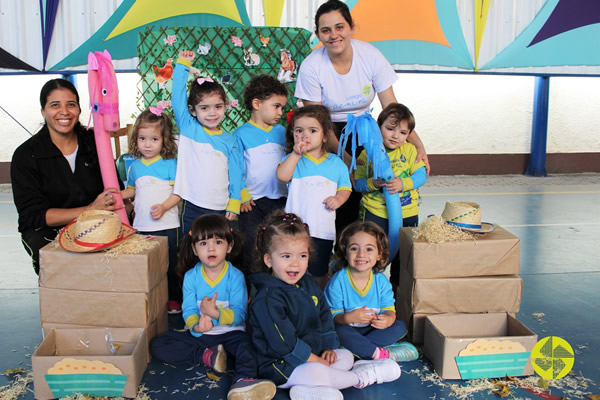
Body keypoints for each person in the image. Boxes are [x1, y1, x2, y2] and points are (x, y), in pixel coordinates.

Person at [295, 0, 430, 234]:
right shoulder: (311, 66)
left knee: (369, 189)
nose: (333, 35)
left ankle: (368, 245)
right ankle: (338, 254)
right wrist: (345, 160)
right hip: (327, 132)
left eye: (339, 27)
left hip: (364, 128)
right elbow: (317, 122)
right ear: (318, 34)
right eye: (325, 30)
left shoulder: (370, 55)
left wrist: (419, 146)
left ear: (351, 27)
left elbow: (393, 109)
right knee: (341, 190)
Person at [248, 210, 401, 400]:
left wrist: (328, 349)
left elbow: (324, 317)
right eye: (286, 256)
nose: (295, 264)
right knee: (317, 372)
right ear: (268, 260)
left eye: (302, 256)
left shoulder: (309, 283)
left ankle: (306, 391)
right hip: (280, 366)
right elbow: (284, 345)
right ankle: (359, 377)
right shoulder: (267, 299)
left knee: (344, 357)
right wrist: (318, 361)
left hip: (314, 354)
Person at [150, 214, 276, 400]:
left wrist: (215, 313)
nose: (210, 248)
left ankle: (243, 381)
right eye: (203, 243)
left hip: (232, 333)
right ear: (194, 249)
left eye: (218, 242)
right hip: (201, 336)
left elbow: (241, 314)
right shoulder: (191, 277)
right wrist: (196, 326)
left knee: (249, 347)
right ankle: (207, 356)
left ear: (229, 246)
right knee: (158, 344)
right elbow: (189, 310)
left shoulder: (236, 276)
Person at [11, 78, 123, 274]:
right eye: (55, 105)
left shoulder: (95, 142)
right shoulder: (26, 155)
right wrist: (89, 209)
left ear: (79, 110)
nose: (64, 112)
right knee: (58, 261)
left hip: (95, 223)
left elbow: (116, 190)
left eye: (71, 105)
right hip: (47, 230)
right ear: (43, 111)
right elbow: (33, 215)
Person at [276, 105, 351, 289]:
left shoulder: (336, 164)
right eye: (299, 130)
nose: (305, 135)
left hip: (322, 230)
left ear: (325, 135)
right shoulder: (293, 159)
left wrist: (339, 199)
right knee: (289, 266)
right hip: (293, 230)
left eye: (312, 130)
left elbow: (345, 188)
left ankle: (318, 301)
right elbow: (282, 176)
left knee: (319, 270)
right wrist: (295, 154)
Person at [172, 50, 244, 237]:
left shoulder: (230, 140)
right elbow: (177, 98)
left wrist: (235, 201)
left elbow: (236, 172)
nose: (212, 113)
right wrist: (182, 65)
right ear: (192, 110)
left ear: (225, 107)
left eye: (218, 107)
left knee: (216, 248)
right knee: (190, 249)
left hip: (220, 207)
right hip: (193, 204)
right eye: (204, 108)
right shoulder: (189, 128)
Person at [354, 103, 427, 287]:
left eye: (403, 132)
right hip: (375, 214)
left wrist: (404, 183)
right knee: (371, 254)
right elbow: (358, 183)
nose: (395, 136)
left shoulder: (410, 151)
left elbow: (421, 175)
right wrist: (373, 183)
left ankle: (396, 294)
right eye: (390, 129)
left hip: (407, 213)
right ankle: (368, 287)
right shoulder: (367, 153)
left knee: (403, 259)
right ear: (379, 127)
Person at [325, 221, 419, 362]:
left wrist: (387, 319)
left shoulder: (381, 281)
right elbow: (332, 317)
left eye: (369, 249)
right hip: (348, 330)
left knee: (400, 326)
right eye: (354, 248)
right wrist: (348, 318)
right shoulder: (338, 281)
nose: (361, 254)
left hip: (372, 330)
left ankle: (356, 351)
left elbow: (389, 310)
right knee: (338, 330)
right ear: (345, 252)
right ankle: (381, 354)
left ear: (379, 254)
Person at [120, 109, 182, 314]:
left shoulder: (170, 164)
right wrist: (115, 195)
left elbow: (179, 193)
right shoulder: (135, 167)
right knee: (146, 264)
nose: (147, 144)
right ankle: (149, 298)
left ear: (164, 140)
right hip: (141, 226)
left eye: (154, 139)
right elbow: (131, 190)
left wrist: (164, 207)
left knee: (169, 264)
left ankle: (173, 299)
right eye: (142, 138)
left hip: (168, 225)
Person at [235, 74, 288, 274]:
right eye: (276, 106)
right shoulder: (240, 134)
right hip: (252, 203)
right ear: (257, 103)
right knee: (251, 246)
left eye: (282, 107)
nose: (280, 112)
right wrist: (242, 194)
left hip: (282, 200)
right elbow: (236, 169)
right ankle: (250, 291)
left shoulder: (283, 132)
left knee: (280, 246)